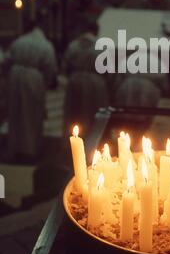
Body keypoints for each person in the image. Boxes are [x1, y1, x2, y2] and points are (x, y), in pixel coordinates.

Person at [6, 19, 57, 161]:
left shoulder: (19, 41)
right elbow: (50, 67)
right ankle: (30, 149)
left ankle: (15, 147)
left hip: (15, 77)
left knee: (16, 113)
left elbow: (7, 61)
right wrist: (45, 83)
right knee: (32, 114)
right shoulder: (46, 45)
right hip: (34, 78)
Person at [63, 20, 109, 137]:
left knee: (74, 114)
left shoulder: (73, 45)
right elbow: (108, 69)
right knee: (92, 115)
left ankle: (74, 140)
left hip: (75, 81)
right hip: (95, 83)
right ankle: (92, 140)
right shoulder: (102, 47)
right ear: (96, 31)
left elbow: (65, 66)